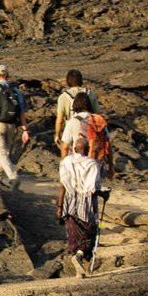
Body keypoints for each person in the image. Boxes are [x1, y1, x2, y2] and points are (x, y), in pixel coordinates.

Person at [57, 135, 101, 277]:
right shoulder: (92, 164)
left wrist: (59, 206)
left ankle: (80, 272)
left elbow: (62, 185)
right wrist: (105, 195)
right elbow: (94, 188)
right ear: (87, 149)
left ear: (74, 149)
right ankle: (80, 256)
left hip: (69, 202)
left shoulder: (66, 162)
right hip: (86, 204)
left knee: (74, 236)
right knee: (89, 234)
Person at [60, 92, 116, 179]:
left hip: (78, 163)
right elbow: (108, 145)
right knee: (94, 188)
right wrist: (111, 166)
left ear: (74, 106)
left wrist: (63, 166)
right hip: (96, 162)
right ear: (89, 105)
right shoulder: (98, 120)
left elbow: (65, 147)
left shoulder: (72, 121)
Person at [54, 69, 100, 149]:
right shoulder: (91, 94)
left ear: (68, 81)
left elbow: (60, 120)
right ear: (81, 80)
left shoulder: (63, 97)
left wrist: (57, 135)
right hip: (90, 128)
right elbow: (97, 115)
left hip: (71, 127)